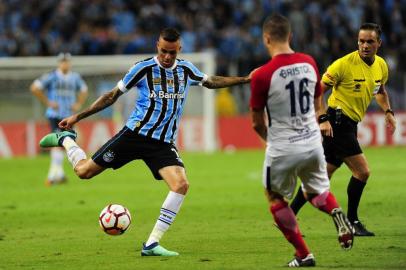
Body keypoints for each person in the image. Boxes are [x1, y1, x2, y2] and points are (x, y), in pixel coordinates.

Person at [39, 28, 253, 256]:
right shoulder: (142, 69)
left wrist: (246, 79)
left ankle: (151, 244)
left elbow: (210, 81)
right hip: (134, 136)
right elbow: (112, 96)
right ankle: (66, 140)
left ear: (179, 49)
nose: (167, 57)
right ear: (157, 47)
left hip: (162, 143)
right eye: (163, 51)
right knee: (84, 172)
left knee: (181, 185)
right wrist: (77, 117)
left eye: (172, 52)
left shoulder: (186, 69)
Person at [250, 14, 354, 267]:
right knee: (314, 191)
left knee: (275, 199)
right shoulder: (309, 63)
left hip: (283, 147)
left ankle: (303, 254)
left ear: (266, 38)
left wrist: (269, 140)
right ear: (290, 36)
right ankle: (336, 212)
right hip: (312, 144)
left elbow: (257, 122)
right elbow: (318, 100)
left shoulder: (262, 75)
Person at [290, 23, 397, 237]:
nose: (364, 45)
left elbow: (380, 91)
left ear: (379, 43)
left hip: (349, 124)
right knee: (362, 171)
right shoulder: (343, 64)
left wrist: (388, 111)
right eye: (361, 41)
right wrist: (322, 119)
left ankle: (288, 216)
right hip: (337, 122)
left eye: (369, 41)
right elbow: (316, 91)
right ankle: (353, 221)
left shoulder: (381, 66)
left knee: (321, 177)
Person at [30, 52, 88, 186]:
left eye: (67, 61)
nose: (65, 64)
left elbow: (84, 90)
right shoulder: (52, 76)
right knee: (60, 142)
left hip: (69, 117)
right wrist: (48, 102)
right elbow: (34, 87)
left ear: (70, 63)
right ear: (59, 63)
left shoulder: (75, 77)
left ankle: (59, 174)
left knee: (65, 144)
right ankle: (52, 176)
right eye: (62, 61)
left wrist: (79, 103)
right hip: (55, 115)